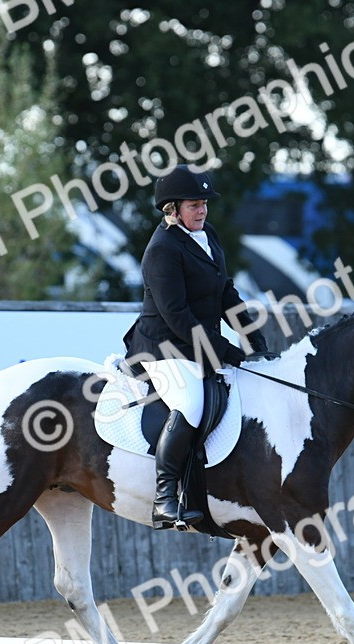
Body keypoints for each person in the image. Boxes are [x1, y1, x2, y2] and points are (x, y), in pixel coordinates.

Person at [122, 164, 267, 530]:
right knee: (190, 403)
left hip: (195, 342)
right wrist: (224, 349)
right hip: (163, 347)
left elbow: (225, 293)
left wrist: (253, 338)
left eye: (204, 203)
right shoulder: (162, 250)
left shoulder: (207, 235)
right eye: (194, 205)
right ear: (172, 210)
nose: (202, 210)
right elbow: (177, 315)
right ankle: (164, 497)